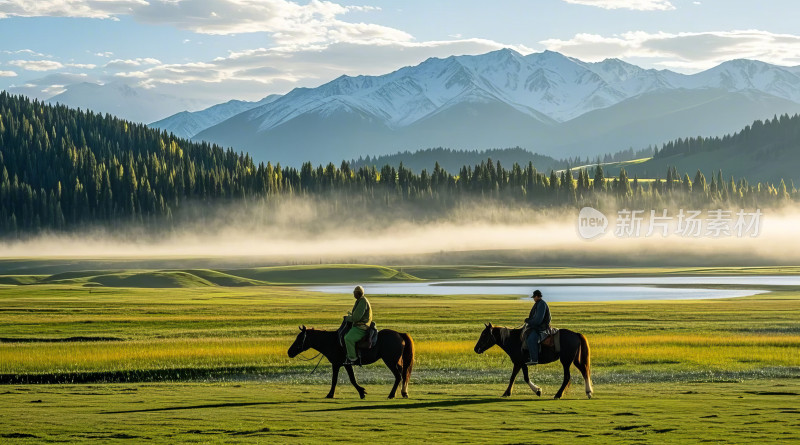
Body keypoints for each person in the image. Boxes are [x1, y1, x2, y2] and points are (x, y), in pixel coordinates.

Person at [343, 285, 372, 365]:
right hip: (359, 325)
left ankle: (352, 358)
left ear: (358, 293)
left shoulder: (362, 301)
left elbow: (356, 318)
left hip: (361, 327)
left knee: (348, 338)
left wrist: (347, 318)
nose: (353, 294)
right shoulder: (360, 300)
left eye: (354, 293)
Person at [524, 289, 551, 365]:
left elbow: (538, 320)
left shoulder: (541, 304)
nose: (533, 299)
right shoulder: (538, 303)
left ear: (537, 296)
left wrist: (529, 321)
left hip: (541, 327)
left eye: (534, 297)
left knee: (531, 339)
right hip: (537, 326)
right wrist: (529, 320)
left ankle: (534, 359)